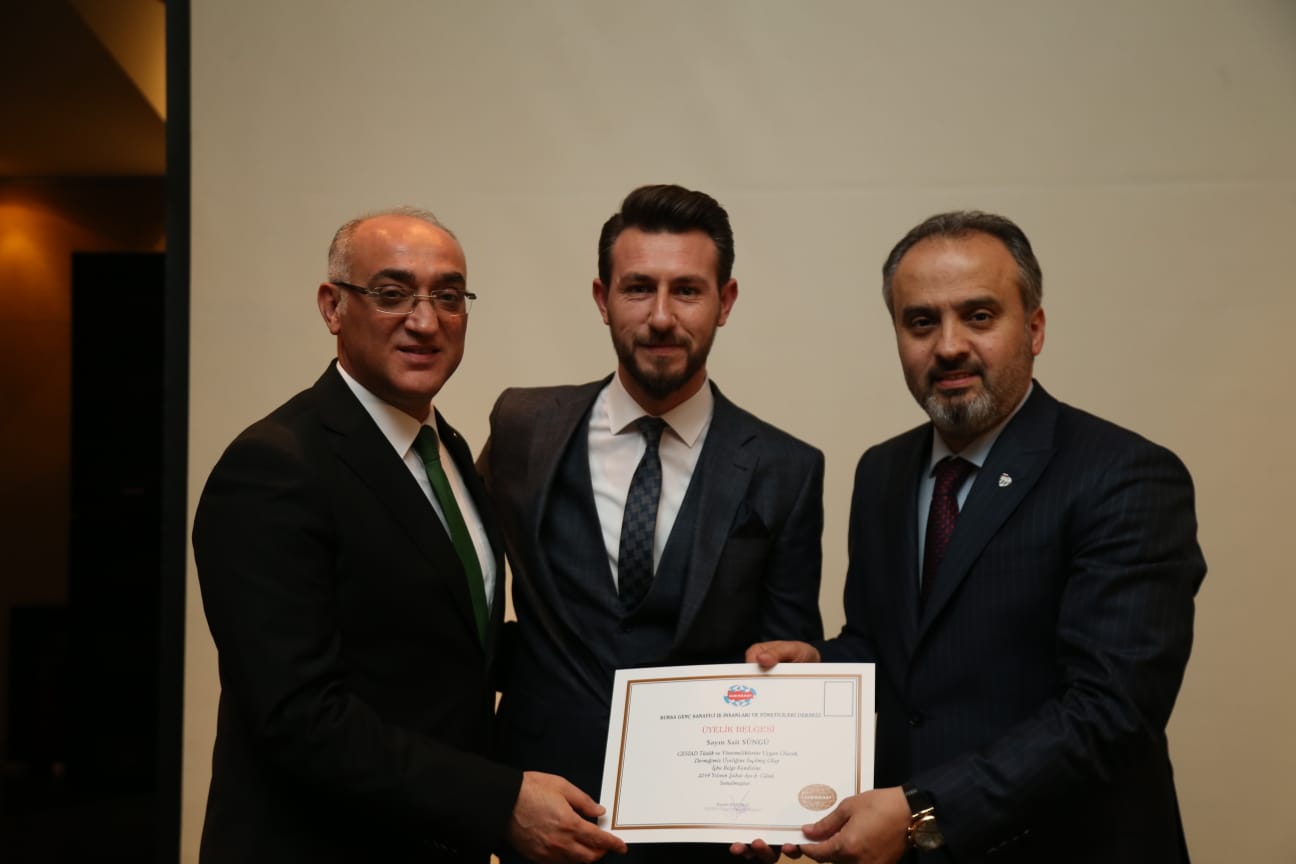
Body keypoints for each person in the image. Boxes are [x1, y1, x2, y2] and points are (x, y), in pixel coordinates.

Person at [747, 211, 1206, 863]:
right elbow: (892, 646)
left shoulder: (1125, 476)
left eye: (979, 315)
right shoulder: (883, 471)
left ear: (1035, 328)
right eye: (921, 322)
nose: (949, 346)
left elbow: (1110, 714)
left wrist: (922, 811)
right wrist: (824, 666)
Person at [193, 207, 626, 864]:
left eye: (448, 297)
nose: (426, 322)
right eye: (392, 294)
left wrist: (666, 674)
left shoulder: (445, 448)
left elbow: (452, 645)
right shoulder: (274, 467)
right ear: (333, 306)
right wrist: (499, 803)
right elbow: (299, 717)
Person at [479, 184, 825, 863]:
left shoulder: (786, 467)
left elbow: (785, 652)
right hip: (541, 819)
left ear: (725, 301)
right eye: (638, 288)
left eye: (687, 291)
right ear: (602, 297)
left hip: (703, 838)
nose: (661, 317)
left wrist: (774, 800)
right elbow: (465, 588)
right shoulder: (523, 427)